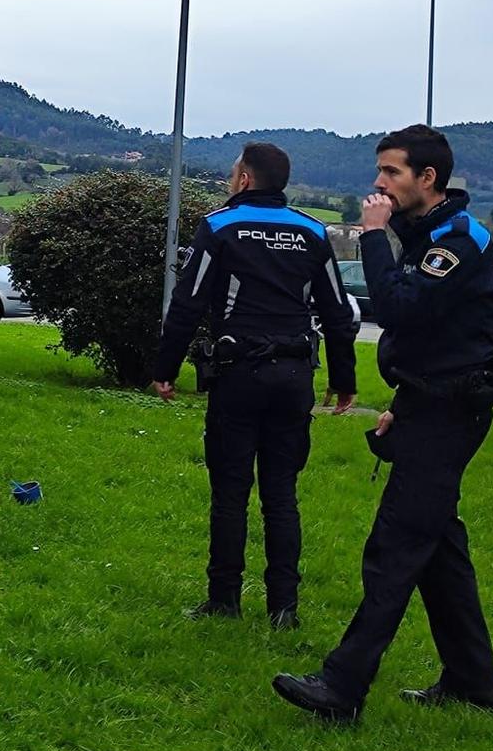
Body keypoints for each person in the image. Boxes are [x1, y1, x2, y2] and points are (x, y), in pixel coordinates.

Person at [275, 126, 493, 723]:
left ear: (427, 179)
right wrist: (404, 402)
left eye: (392, 173)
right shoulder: (427, 232)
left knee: (396, 548)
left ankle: (341, 686)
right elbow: (431, 334)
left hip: (450, 412)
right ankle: (473, 685)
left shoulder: (457, 240)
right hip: (430, 404)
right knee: (439, 551)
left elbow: (401, 306)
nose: (378, 185)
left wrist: (373, 236)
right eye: (379, 172)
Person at [152, 142, 357, 630]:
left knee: (230, 491)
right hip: (293, 377)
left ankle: (224, 600)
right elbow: (336, 309)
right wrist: (344, 379)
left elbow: (187, 302)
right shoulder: (313, 231)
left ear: (245, 179)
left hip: (239, 373)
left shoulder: (220, 225)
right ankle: (284, 609)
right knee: (281, 492)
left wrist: (164, 367)